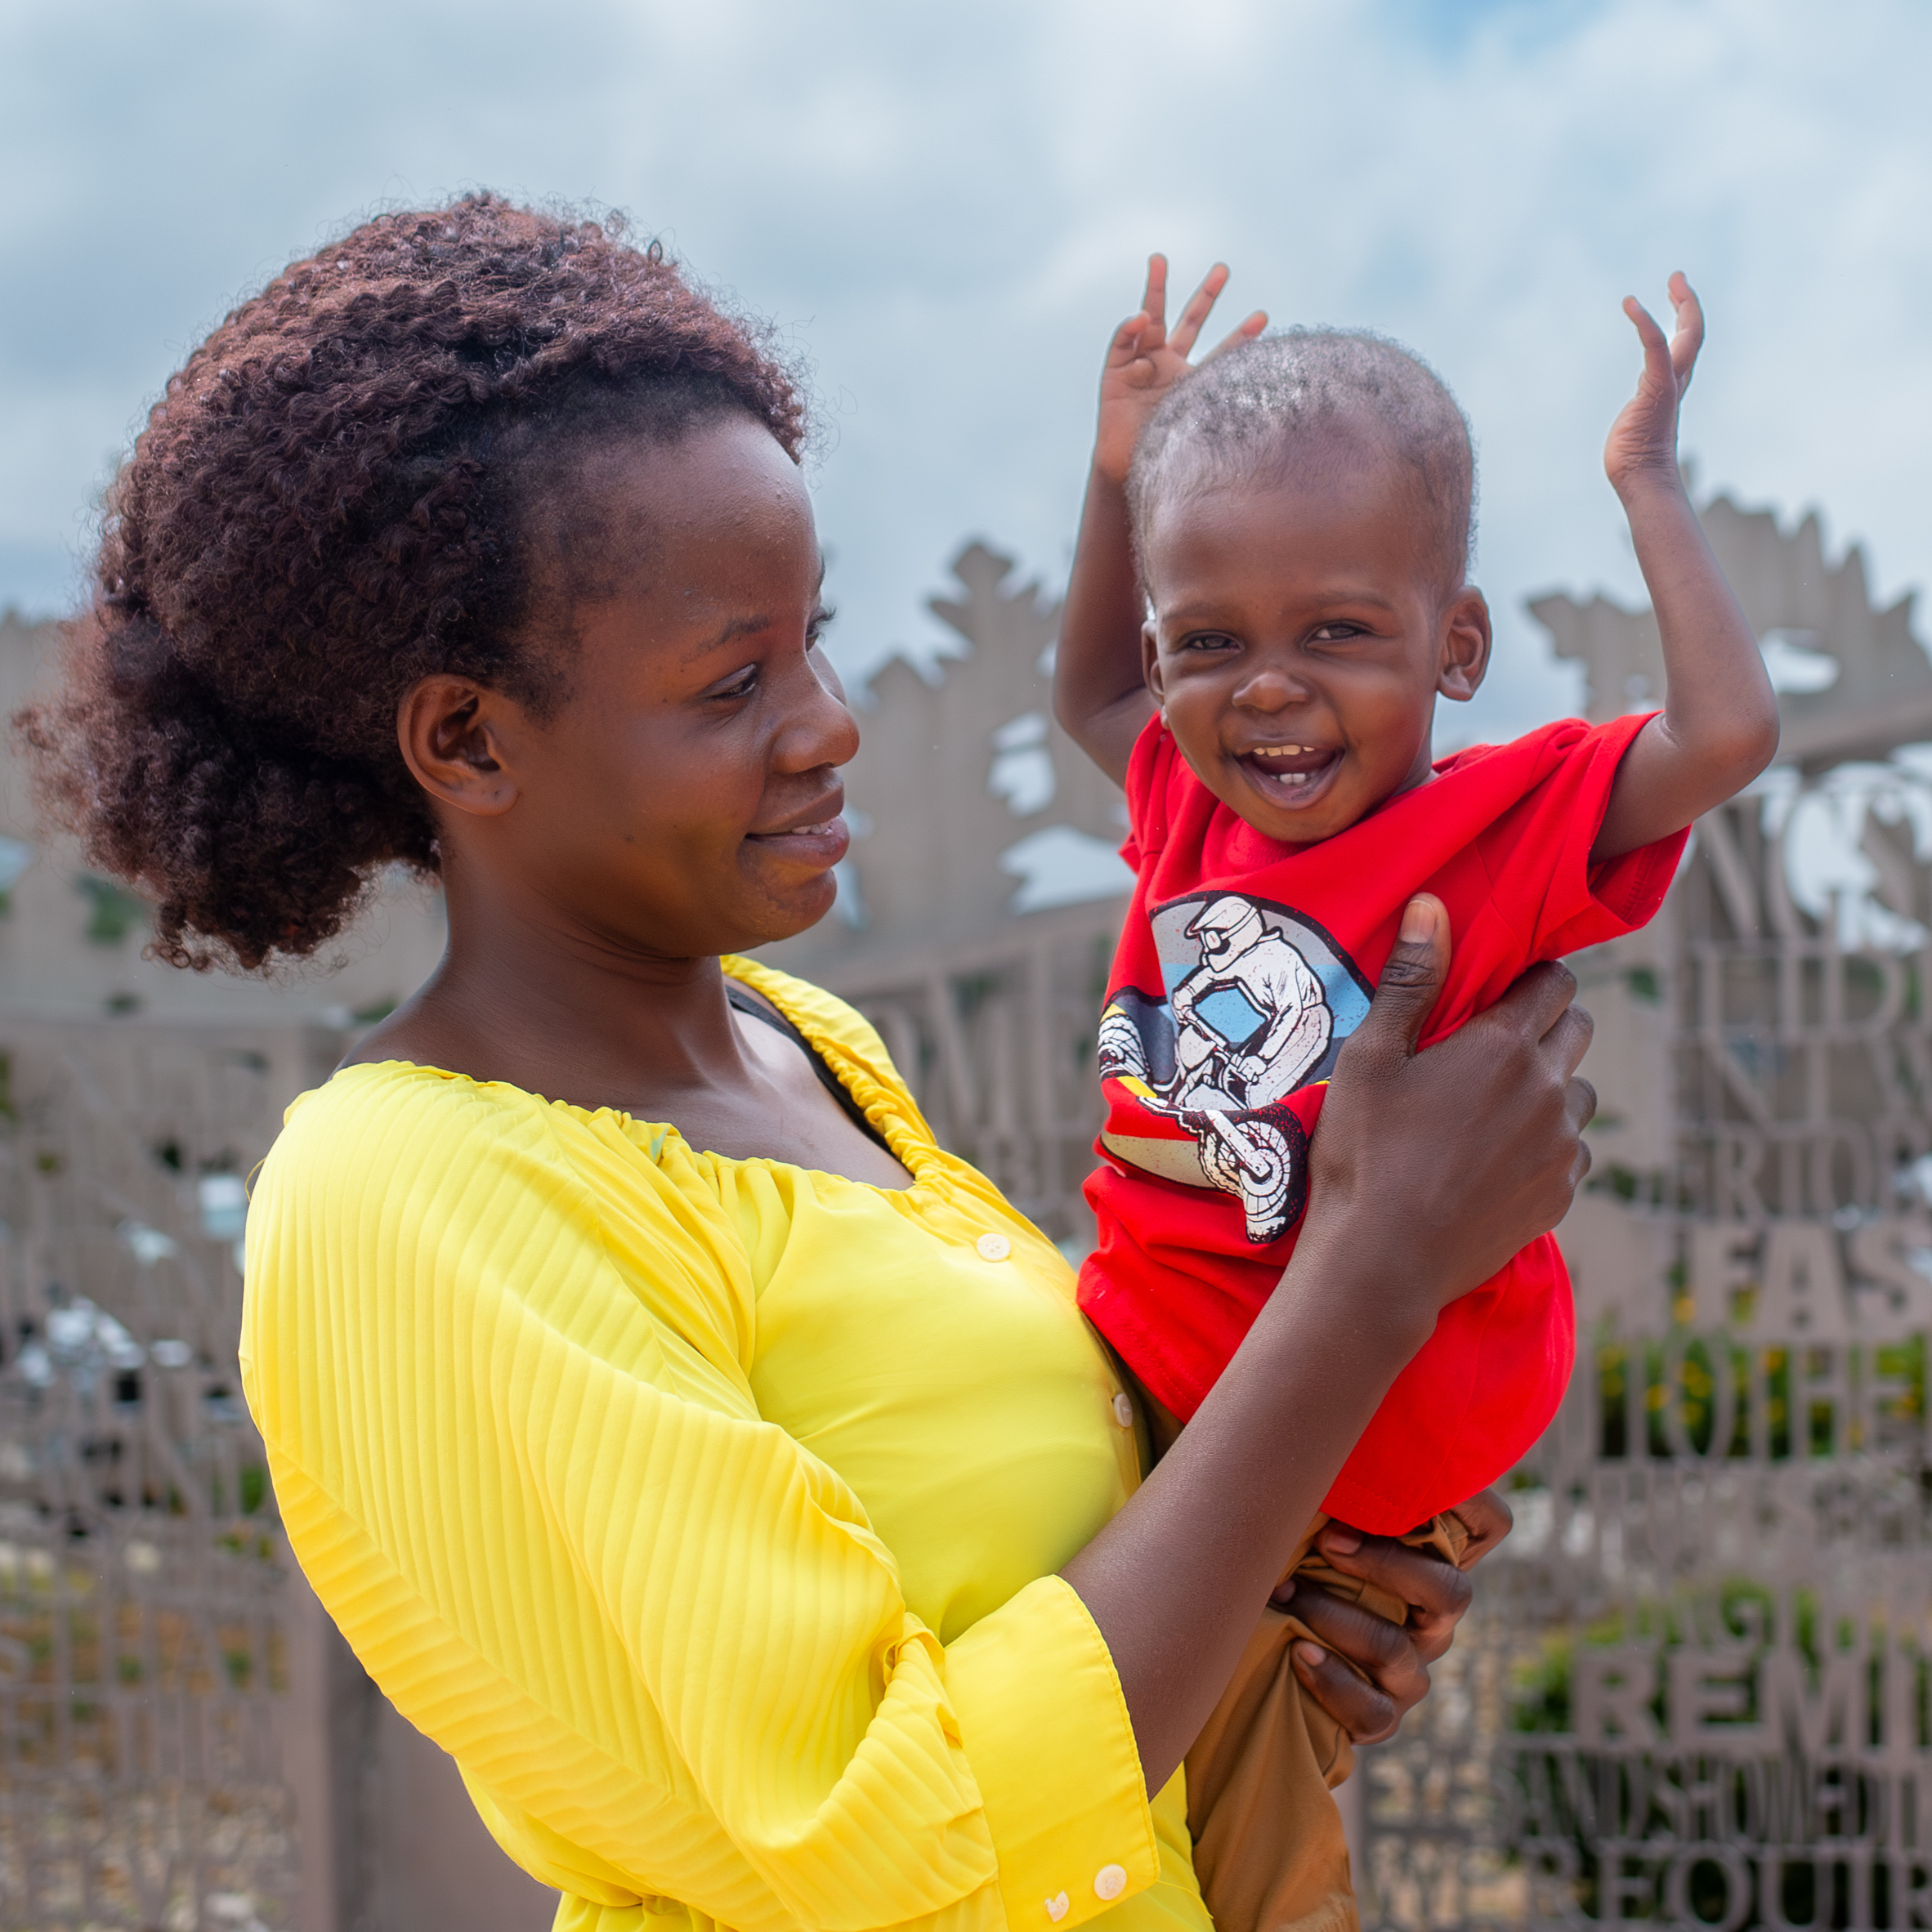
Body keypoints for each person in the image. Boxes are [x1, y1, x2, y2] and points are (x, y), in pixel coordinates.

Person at [21, 199, 1600, 1932]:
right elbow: (875, 1842)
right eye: (732, 681)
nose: (830, 718)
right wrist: (1371, 1275)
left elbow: (1048, 1602)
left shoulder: (808, 1053)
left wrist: (1291, 1612)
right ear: (469, 739)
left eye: (814, 633)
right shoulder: (410, 1197)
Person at [1052, 256, 1781, 1918]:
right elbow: (1092, 690)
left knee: (1244, 1866)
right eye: (1211, 639)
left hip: (1336, 1496)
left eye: (1341, 632)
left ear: (1456, 646)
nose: (1270, 685)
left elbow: (1726, 734)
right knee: (1108, 1813)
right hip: (1161, 1420)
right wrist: (1115, 481)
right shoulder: (1185, 805)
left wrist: (1649, 485)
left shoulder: (1503, 827)